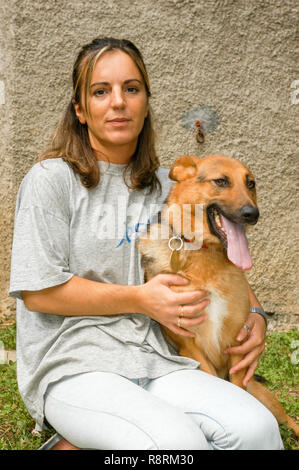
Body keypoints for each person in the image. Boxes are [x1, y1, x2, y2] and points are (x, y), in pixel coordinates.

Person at [9, 37, 283, 450]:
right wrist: (142, 299)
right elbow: (38, 292)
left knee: (257, 429)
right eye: (101, 91)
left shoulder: (162, 189)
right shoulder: (51, 180)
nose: (118, 102)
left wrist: (257, 315)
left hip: (159, 359)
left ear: (145, 102)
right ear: (80, 110)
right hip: (77, 363)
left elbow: (213, 259)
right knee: (178, 443)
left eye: (131, 88)